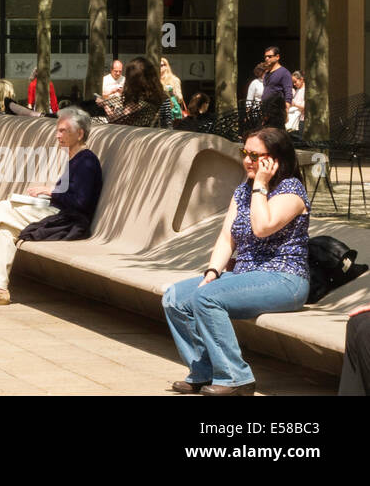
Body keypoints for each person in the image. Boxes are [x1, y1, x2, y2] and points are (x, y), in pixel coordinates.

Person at [162, 125, 310, 395]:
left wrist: (261, 186)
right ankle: (203, 370)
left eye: (255, 155)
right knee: (175, 297)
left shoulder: (292, 190)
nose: (247, 160)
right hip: (244, 277)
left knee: (206, 299)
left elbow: (262, 227)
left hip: (284, 279)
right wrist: (213, 272)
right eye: (245, 152)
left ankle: (236, 378)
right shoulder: (243, 190)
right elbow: (226, 238)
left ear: (276, 159)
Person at [0, 107, 102, 305]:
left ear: (80, 133)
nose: (57, 135)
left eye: (63, 131)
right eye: (57, 130)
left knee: (4, 207)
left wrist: (51, 192)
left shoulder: (87, 161)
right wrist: (50, 194)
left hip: (68, 221)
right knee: (4, 231)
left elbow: (80, 202)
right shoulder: (75, 159)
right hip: (57, 214)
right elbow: (69, 195)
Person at [98, 55, 171, 128]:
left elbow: (119, 121)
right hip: (155, 134)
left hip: (134, 135)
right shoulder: (163, 97)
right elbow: (168, 122)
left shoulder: (135, 101)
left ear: (132, 80)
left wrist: (104, 105)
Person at [286, 71, 305, 137]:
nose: (294, 84)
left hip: (302, 120)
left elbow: (305, 106)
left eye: (295, 81)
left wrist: (294, 104)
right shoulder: (297, 90)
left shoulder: (305, 90)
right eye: (293, 82)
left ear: (301, 79)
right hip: (296, 120)